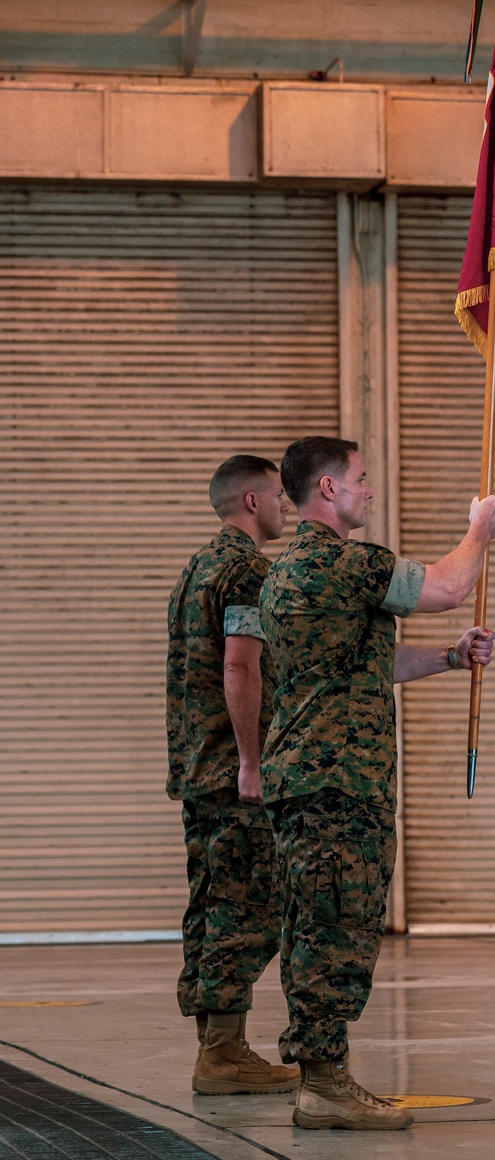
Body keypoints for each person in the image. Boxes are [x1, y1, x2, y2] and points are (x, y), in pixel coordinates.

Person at [260, 435, 495, 1132]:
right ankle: (325, 1082)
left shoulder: (287, 575)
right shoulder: (347, 562)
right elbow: (450, 585)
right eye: (360, 480)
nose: (368, 490)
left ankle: (321, 1073)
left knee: (316, 923)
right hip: (339, 782)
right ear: (328, 490)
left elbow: (369, 663)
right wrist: (478, 528)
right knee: (337, 927)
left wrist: (449, 658)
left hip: (306, 777)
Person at [166, 454, 298, 1096]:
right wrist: (252, 760)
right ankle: (221, 1054)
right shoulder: (247, 569)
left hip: (197, 764)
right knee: (247, 904)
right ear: (251, 501)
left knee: (212, 900)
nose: (285, 506)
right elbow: (241, 668)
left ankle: (218, 1046)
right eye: (278, 495)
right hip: (230, 767)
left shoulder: (197, 567)